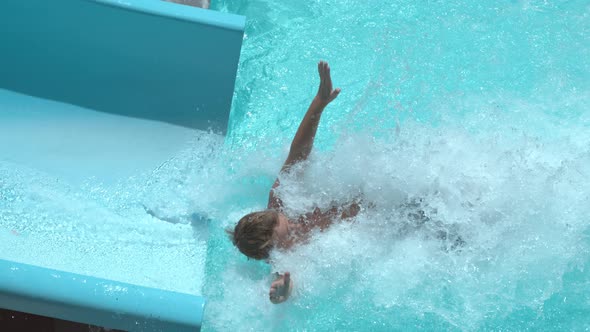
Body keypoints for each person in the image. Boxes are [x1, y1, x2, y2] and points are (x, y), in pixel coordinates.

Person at [227, 61, 361, 304]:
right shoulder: (282, 256)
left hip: (372, 197)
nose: (295, 227)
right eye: (287, 233)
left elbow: (298, 152)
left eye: (284, 222)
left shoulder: (281, 199)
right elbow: (284, 281)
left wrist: (319, 102)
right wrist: (282, 290)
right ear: (273, 248)